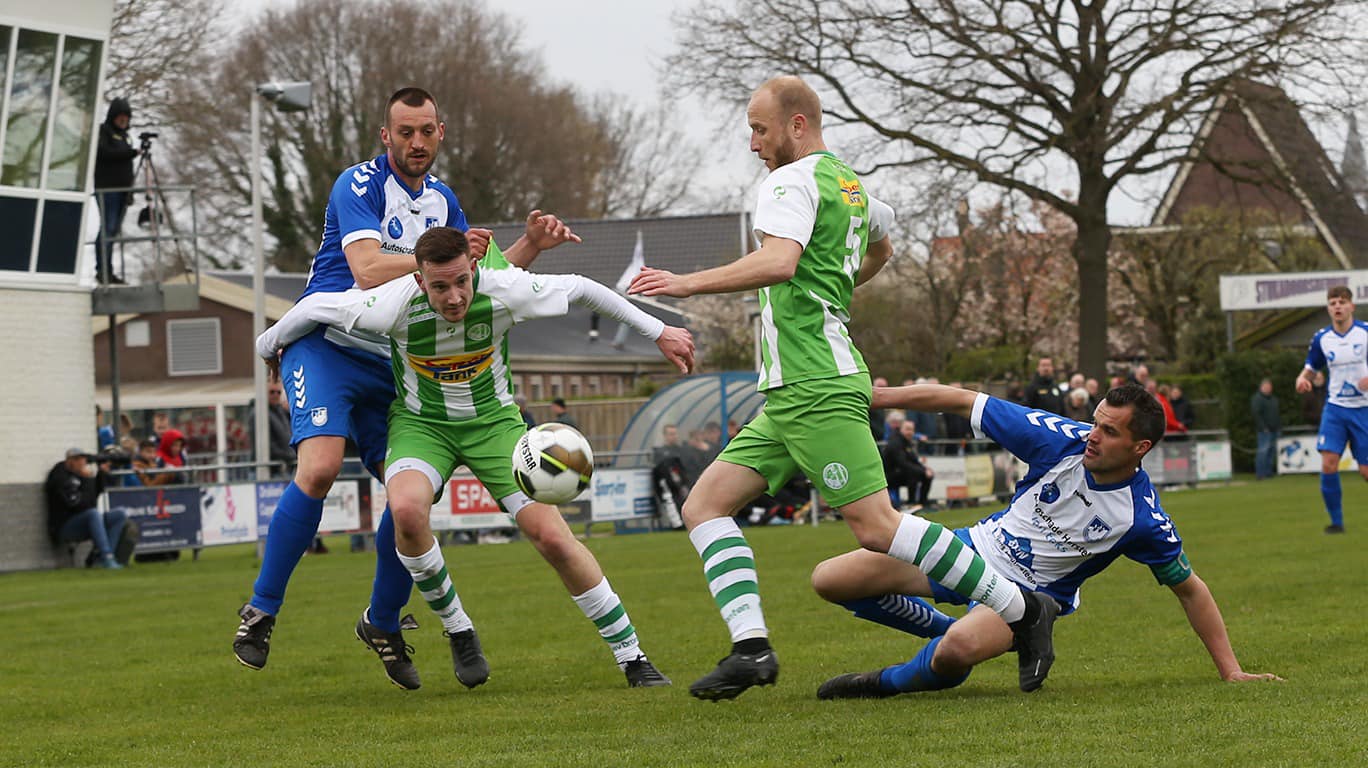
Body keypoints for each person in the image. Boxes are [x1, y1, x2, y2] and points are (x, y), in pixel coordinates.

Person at [628, 75, 1057, 700]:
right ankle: (751, 649)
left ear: (797, 124)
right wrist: (829, 291)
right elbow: (881, 247)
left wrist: (684, 285)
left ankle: (1022, 610)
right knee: (703, 506)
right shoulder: (851, 185)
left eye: (760, 128)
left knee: (878, 528)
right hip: (793, 390)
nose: (753, 142)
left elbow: (779, 262)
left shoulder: (786, 182)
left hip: (815, 383)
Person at [232, 86, 583, 678]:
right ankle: (261, 609)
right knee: (318, 469)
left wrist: (530, 247)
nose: (416, 142)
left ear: (440, 133)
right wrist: (445, 259)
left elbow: (476, 281)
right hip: (324, 343)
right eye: (405, 132)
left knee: (407, 500)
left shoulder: (444, 200)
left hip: (388, 360)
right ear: (385, 135)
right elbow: (368, 271)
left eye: (426, 131)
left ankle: (384, 620)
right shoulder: (359, 185)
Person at [257, 226, 691, 690]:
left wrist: (659, 330)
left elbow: (584, 289)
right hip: (422, 428)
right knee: (405, 510)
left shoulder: (506, 291)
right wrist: (268, 351)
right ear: (420, 281)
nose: (454, 297)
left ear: (474, 269)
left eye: (462, 281)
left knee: (552, 538)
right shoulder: (388, 304)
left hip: (495, 426)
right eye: (440, 286)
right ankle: (459, 628)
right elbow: (314, 307)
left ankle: (633, 657)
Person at [810, 382, 1281, 699]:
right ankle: (938, 627)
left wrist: (1231, 670)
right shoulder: (1059, 440)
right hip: (972, 549)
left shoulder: (1141, 518)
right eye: (1096, 422)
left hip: (1026, 599)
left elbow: (1190, 588)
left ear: (1141, 448)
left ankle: (884, 683)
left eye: (1109, 431)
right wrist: (872, 395)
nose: (1092, 436)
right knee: (829, 580)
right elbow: (962, 400)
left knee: (958, 653)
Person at [1295, 285, 1368, 534]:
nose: (1337, 306)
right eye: (1333, 302)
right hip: (1335, 408)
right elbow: (1311, 367)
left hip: (1363, 409)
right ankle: (1336, 523)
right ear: (1328, 308)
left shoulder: (1365, 333)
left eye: (1342, 302)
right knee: (1328, 463)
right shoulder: (1321, 338)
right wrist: (1301, 379)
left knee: (1366, 471)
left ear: (1351, 306)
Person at [45, 448, 137, 569]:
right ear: (70, 461)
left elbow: (94, 497)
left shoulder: (81, 475)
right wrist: (87, 480)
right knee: (93, 513)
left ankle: (100, 558)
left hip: (85, 522)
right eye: (79, 460)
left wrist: (101, 474)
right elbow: (77, 505)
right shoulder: (60, 476)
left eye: (84, 460)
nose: (83, 464)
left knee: (119, 514)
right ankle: (107, 557)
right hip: (64, 526)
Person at [94, 98, 137, 284]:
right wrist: (131, 153)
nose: (123, 120)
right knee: (108, 228)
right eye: (120, 116)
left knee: (114, 231)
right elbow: (103, 153)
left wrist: (130, 192)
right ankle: (102, 270)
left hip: (122, 191)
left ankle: (109, 271)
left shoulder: (126, 137)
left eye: (126, 117)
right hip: (108, 189)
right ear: (113, 116)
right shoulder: (104, 132)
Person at [881, 419, 933, 510]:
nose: (910, 432)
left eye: (912, 430)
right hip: (887, 476)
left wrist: (925, 470)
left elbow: (913, 460)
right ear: (901, 429)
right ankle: (911, 504)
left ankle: (922, 503)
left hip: (899, 473)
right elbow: (902, 463)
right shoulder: (895, 442)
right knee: (913, 474)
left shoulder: (906, 442)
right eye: (908, 429)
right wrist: (922, 470)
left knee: (926, 475)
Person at [1250, 378, 1280, 480]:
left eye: (1269, 386)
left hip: (1274, 429)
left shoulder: (1273, 399)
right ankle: (1260, 473)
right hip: (1264, 431)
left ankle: (1268, 472)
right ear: (1261, 387)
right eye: (1266, 386)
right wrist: (1263, 427)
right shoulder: (1257, 399)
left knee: (1271, 452)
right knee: (1263, 452)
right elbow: (1256, 415)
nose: (1268, 388)